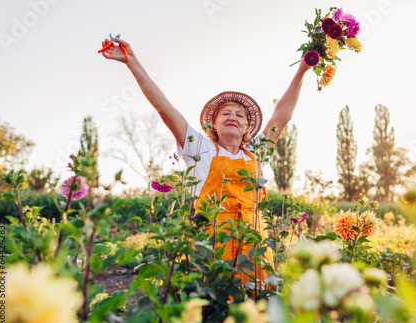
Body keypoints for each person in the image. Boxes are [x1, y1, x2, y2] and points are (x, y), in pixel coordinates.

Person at [100, 37, 310, 284]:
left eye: (240, 115)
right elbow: (164, 109)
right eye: (226, 114)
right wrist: (132, 62)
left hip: (255, 249)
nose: (233, 117)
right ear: (215, 124)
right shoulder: (200, 148)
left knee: (257, 312)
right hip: (211, 251)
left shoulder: (257, 152)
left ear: (246, 128)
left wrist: (302, 69)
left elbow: (282, 115)